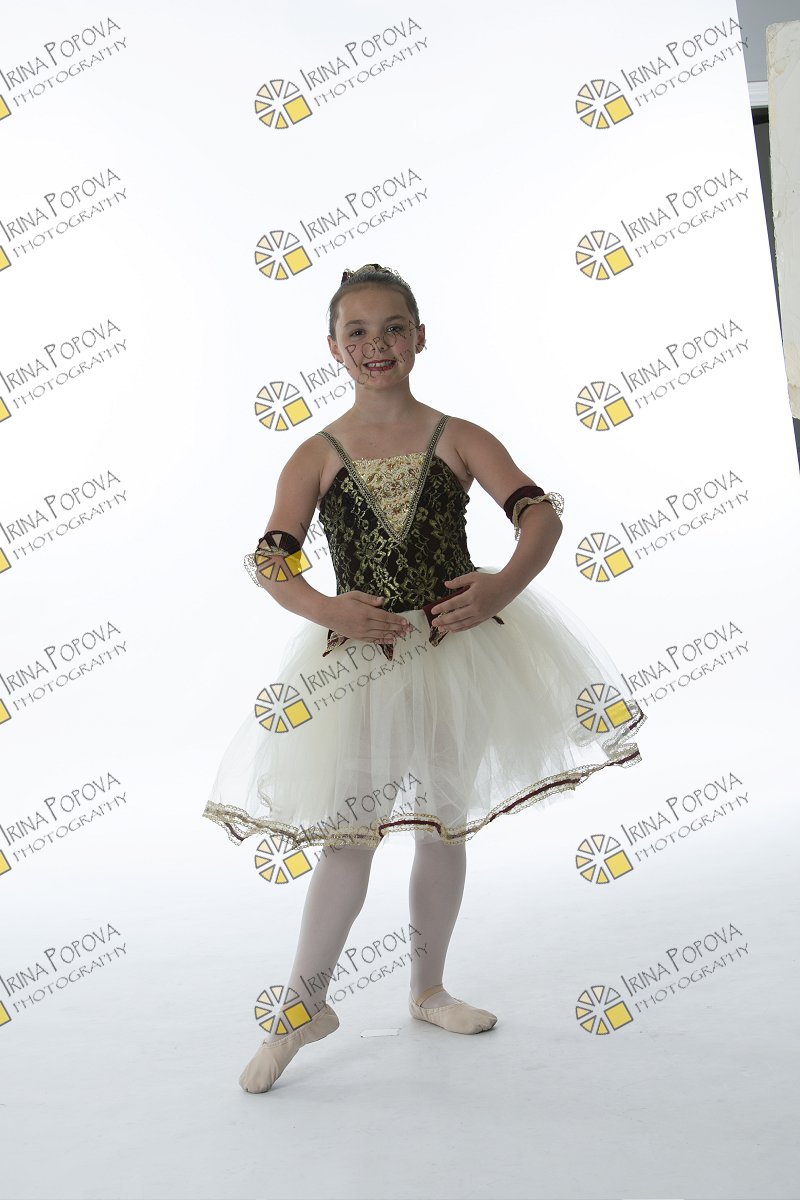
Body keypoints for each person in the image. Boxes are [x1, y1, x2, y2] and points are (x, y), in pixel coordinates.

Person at [203, 263, 647, 1093]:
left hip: (455, 652)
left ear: (420, 337)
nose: (377, 344)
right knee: (350, 833)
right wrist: (326, 609)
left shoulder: (459, 436)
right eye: (358, 331)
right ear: (333, 347)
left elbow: (540, 514)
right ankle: (303, 1005)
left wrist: (501, 588)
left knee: (443, 821)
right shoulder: (316, 454)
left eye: (394, 327)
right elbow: (270, 558)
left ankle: (428, 989)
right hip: (361, 667)